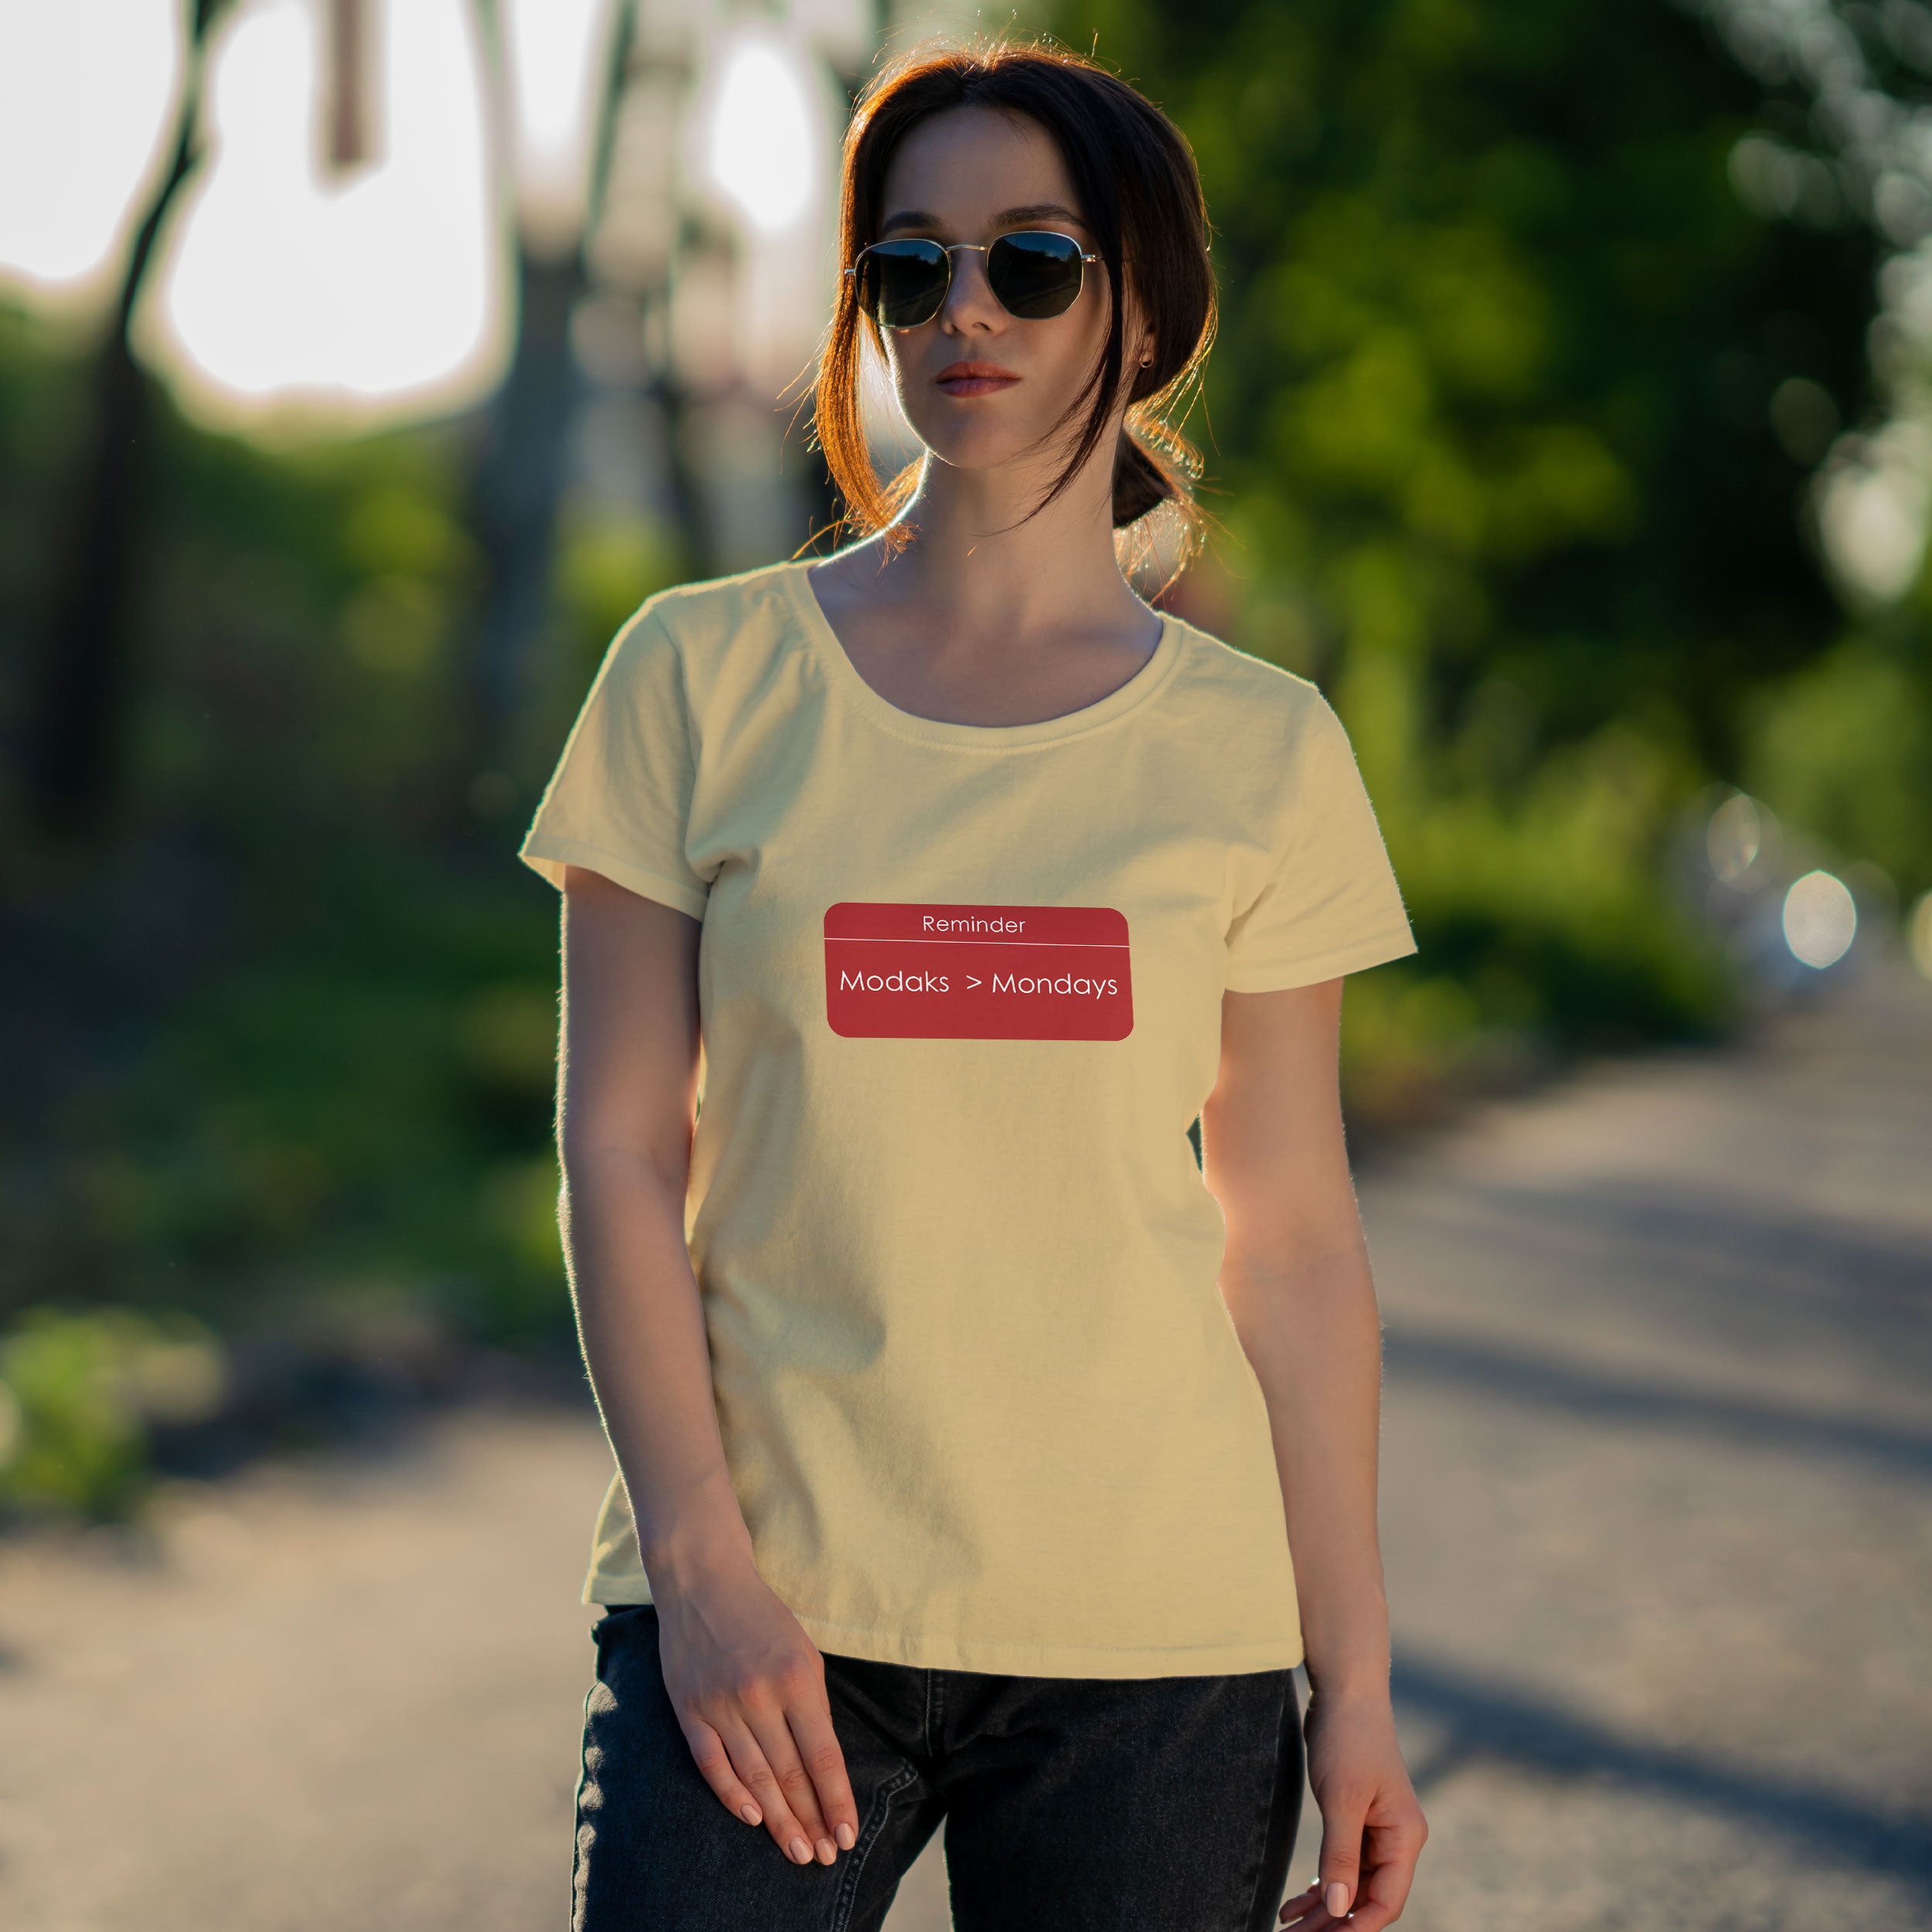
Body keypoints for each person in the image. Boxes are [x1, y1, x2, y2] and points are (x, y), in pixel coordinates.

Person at [518, 32, 1430, 1932]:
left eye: (1029, 260)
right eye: (908, 266)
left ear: (1142, 303)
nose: (964, 312)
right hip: (764, 1609)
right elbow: (617, 1152)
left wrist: (1354, 1684)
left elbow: (1295, 1244)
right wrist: (695, 1571)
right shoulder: (694, 678)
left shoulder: (1262, 752)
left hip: (1155, 1643)